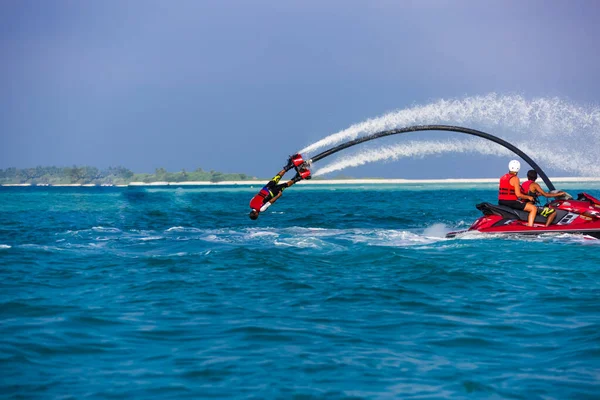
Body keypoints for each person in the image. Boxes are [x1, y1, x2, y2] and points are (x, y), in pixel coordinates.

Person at [498, 160, 538, 227]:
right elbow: (518, 194)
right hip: (511, 202)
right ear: (518, 168)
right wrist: (529, 197)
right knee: (533, 208)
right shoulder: (515, 178)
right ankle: (530, 227)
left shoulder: (503, 177)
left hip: (501, 201)